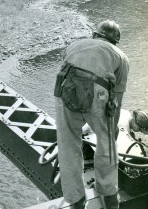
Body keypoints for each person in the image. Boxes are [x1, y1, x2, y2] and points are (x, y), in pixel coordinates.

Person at [54, 20, 129, 209]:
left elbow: (68, 69)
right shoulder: (121, 57)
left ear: (95, 35)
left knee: (68, 144)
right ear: (115, 41)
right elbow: (117, 100)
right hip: (98, 90)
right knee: (106, 142)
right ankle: (109, 196)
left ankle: (76, 200)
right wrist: (112, 130)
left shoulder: (74, 45)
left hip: (65, 88)